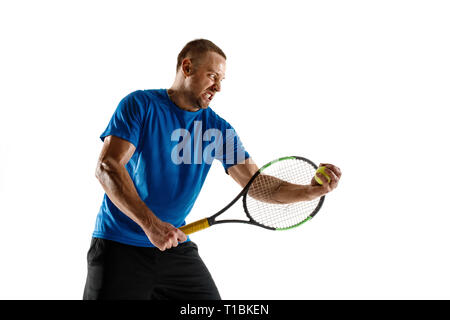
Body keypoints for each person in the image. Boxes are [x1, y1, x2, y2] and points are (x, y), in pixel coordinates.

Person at [83, 39, 341, 300]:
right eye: (212, 76)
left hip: (173, 246)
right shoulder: (141, 105)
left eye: (222, 80)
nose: (217, 87)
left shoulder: (218, 130)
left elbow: (258, 184)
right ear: (187, 67)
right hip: (119, 246)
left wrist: (309, 191)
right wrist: (152, 226)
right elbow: (108, 167)